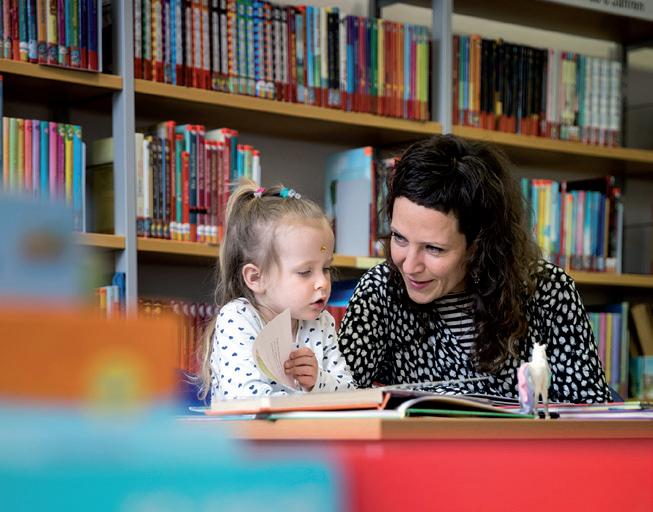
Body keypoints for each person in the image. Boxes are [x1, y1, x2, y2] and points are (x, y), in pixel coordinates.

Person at [338, 134, 612, 403]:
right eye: (399, 238)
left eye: (433, 248)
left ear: (478, 246)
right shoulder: (380, 291)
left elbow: (593, 412)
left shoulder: (549, 292)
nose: (409, 265)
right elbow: (336, 398)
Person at [196, 180, 356, 401]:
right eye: (305, 272)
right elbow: (246, 399)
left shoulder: (322, 322)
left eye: (326, 268)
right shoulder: (238, 318)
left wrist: (318, 381)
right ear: (256, 278)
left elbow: (351, 394)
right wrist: (304, 402)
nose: (322, 282)